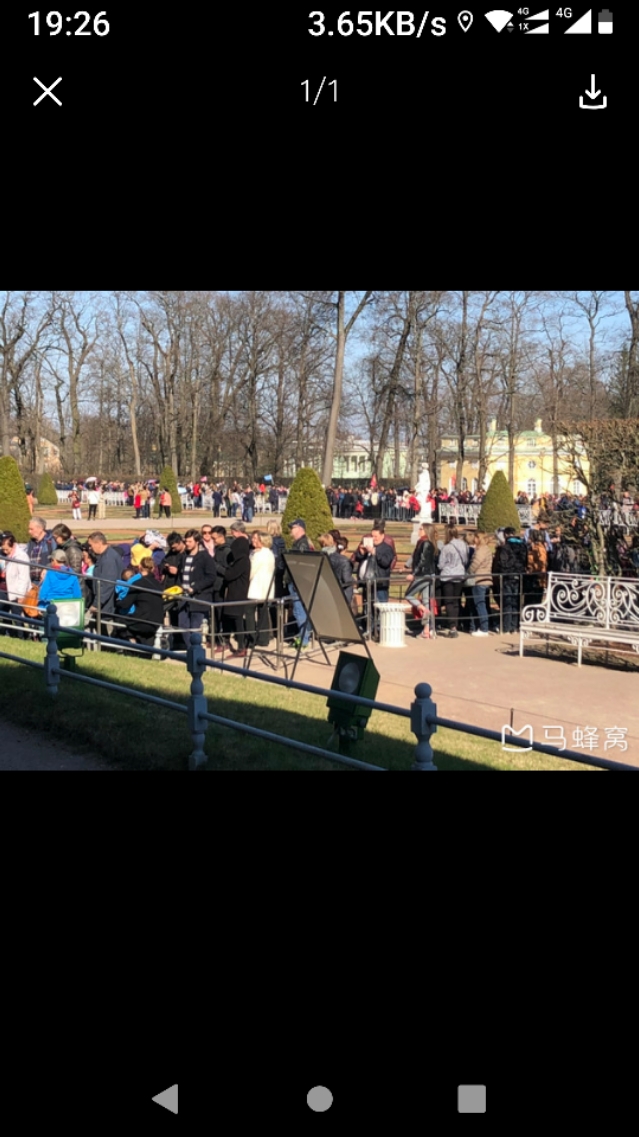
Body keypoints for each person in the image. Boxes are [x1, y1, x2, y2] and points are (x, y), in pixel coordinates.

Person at [177, 530, 217, 649]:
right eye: (186, 541)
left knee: (195, 626)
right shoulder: (184, 556)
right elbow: (180, 575)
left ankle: (195, 651)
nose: (187, 544)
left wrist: (195, 588)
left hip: (199, 597)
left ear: (197, 542)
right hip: (183, 597)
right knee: (182, 624)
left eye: (190, 541)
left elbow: (211, 577)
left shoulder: (205, 557)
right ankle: (191, 648)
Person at [220, 521, 252, 658]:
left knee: (238, 620)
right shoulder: (239, 560)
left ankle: (241, 647)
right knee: (230, 617)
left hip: (239, 592)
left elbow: (230, 575)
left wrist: (220, 568)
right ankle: (227, 641)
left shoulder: (242, 560)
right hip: (234, 591)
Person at [117, 558, 165, 647]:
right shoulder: (158, 584)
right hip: (157, 622)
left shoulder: (138, 583)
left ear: (139, 567)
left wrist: (118, 601)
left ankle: (131, 643)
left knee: (118, 621)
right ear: (153, 568)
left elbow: (125, 604)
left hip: (142, 621)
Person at [405, 523, 437, 638]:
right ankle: (426, 630)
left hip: (423, 575)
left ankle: (423, 609)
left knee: (408, 595)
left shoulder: (425, 543)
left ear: (426, 531)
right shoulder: (425, 543)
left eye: (421, 529)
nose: (419, 530)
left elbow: (422, 561)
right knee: (426, 600)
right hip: (428, 574)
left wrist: (413, 574)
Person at [437, 526, 470, 638]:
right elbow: (466, 560)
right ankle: (456, 623)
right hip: (459, 575)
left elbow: (441, 564)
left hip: (448, 576)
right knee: (456, 601)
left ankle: (452, 626)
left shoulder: (446, 547)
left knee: (449, 602)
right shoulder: (464, 545)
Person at [286, 518, 313, 649]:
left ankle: (304, 639)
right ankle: (304, 637)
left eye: (293, 528)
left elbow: (302, 564)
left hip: (298, 582)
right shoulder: (298, 543)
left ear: (300, 529)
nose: (291, 531)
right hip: (296, 581)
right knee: (300, 611)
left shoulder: (302, 544)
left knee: (299, 611)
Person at [247, 531, 276, 647]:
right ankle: (264, 638)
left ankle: (251, 638)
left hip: (256, 586)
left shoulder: (258, 555)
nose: (254, 541)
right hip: (267, 587)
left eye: (257, 539)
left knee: (249, 612)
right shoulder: (270, 553)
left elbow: (251, 571)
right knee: (263, 613)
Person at [498, 526, 528, 634]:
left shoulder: (505, 547)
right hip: (519, 576)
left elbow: (503, 563)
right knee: (516, 601)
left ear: (506, 535)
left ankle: (506, 627)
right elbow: (525, 561)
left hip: (508, 576)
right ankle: (515, 626)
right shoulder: (523, 546)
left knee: (507, 602)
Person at [0, 531, 31, 634]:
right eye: (3, 549)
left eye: (7, 549)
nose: (5, 551)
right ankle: (7, 632)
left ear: (12, 545)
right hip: (4, 589)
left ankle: (21, 635)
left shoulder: (21, 556)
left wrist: (20, 595)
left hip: (15, 591)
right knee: (4, 613)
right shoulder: (2, 554)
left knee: (17, 616)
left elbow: (23, 577)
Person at [87, 533, 124, 618]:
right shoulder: (105, 555)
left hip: (107, 604)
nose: (90, 548)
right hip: (105, 602)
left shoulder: (108, 559)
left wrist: (96, 604)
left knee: (102, 623)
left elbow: (107, 585)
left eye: (91, 545)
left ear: (99, 543)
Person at [469, 533, 495, 637]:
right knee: (483, 604)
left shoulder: (481, 550)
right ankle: (483, 626)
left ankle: (484, 628)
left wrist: (468, 572)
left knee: (480, 605)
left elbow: (475, 563)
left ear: (478, 538)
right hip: (486, 579)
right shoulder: (486, 549)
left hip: (480, 579)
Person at [318, 533, 354, 606]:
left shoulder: (318, 558)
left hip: (324, 594)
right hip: (340, 594)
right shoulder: (343, 560)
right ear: (333, 542)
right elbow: (347, 581)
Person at [26, 517, 57, 584]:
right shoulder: (31, 543)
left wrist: (47, 569)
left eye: (31, 529)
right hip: (32, 582)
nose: (29, 532)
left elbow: (57, 560)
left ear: (40, 528)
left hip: (47, 581)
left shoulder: (51, 542)